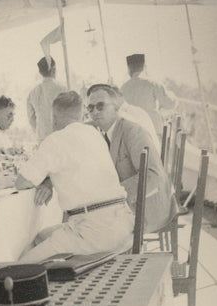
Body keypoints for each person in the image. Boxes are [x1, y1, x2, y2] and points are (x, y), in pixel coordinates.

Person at [15, 91, 133, 263]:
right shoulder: (96, 135)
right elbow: (78, 170)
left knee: (21, 266)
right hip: (123, 224)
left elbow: (22, 182)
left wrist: (46, 180)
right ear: (80, 114)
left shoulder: (55, 140)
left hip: (92, 231)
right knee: (40, 237)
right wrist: (50, 181)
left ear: (54, 117)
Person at [86, 84, 173, 233]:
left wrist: (112, 196)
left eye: (100, 106)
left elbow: (153, 176)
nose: (95, 112)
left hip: (147, 210)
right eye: (90, 108)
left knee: (89, 227)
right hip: (131, 205)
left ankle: (110, 253)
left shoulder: (132, 132)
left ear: (116, 107)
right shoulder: (106, 131)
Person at [87, 84, 160, 153]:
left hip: (143, 162)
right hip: (152, 157)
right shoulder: (136, 110)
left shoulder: (123, 118)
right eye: (90, 108)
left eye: (101, 105)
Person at [121, 54, 177, 135]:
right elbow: (170, 104)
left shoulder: (123, 88)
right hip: (154, 130)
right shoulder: (153, 83)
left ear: (129, 69)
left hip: (132, 133)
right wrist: (173, 96)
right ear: (144, 67)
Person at [27, 57, 67, 143]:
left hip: (42, 138)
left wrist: (41, 130)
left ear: (40, 72)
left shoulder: (32, 93)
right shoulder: (63, 89)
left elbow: (31, 119)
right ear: (54, 70)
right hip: (60, 136)